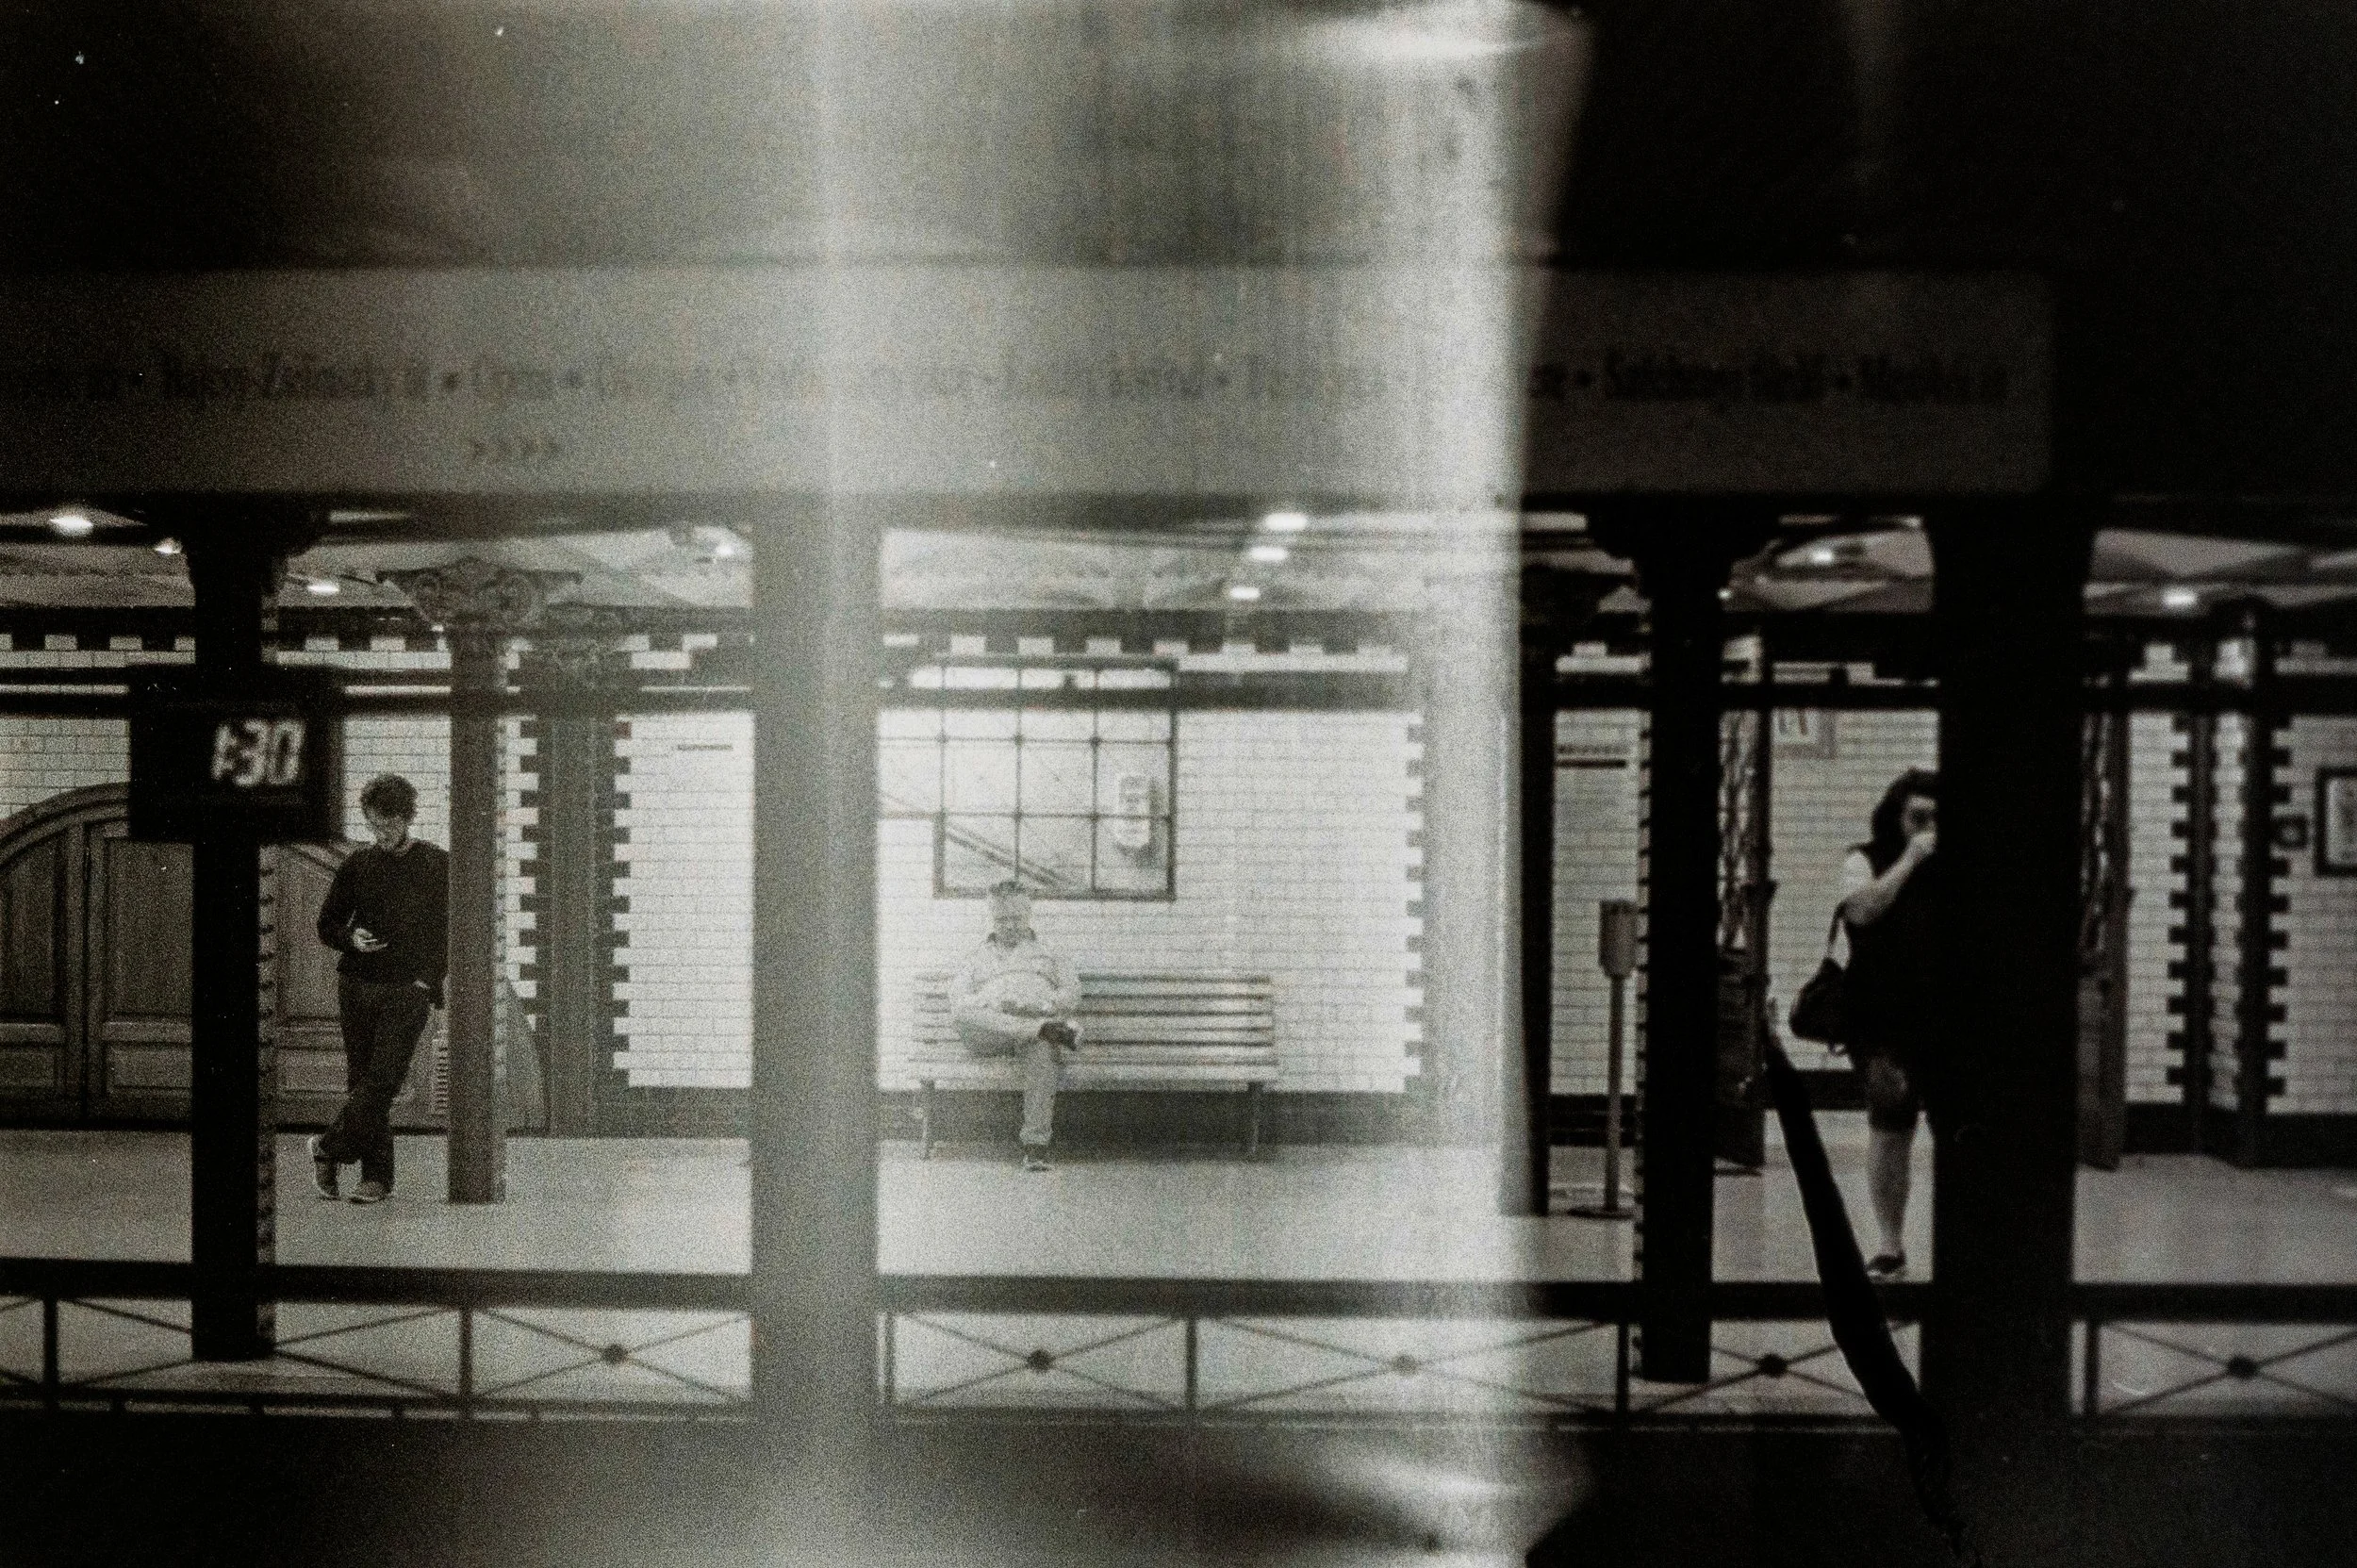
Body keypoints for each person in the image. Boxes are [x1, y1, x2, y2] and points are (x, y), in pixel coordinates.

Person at [308, 774, 450, 1205]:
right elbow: (327, 924)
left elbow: (449, 933)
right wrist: (350, 938)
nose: (381, 832)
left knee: (384, 1080)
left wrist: (427, 982)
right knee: (363, 1082)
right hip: (357, 985)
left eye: (389, 823)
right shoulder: (357, 864)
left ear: (407, 818)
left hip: (408, 989)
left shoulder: (436, 864)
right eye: (373, 824)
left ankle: (327, 1147)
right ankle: (375, 1179)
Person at [1836, 767, 1939, 1278]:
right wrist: (1911, 860)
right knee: (1890, 1128)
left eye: (1938, 820)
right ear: (1895, 816)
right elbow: (1859, 911)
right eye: (1919, 818)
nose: (1929, 829)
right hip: (1883, 1021)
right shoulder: (1865, 859)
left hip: (1948, 1017)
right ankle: (1890, 1243)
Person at [949, 880, 1081, 1172]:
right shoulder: (975, 956)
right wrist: (993, 1004)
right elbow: (959, 999)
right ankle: (1041, 1029)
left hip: (1031, 1024)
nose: (1009, 926)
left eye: (1016, 918)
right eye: (1001, 919)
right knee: (962, 1013)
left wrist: (1039, 1005)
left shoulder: (1051, 952)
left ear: (1028, 914)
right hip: (989, 1032)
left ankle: (1035, 1147)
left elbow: (1071, 994)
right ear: (992, 916)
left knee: (1043, 1049)